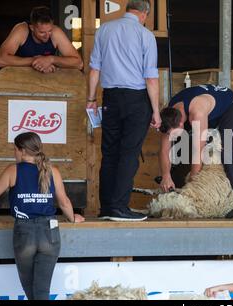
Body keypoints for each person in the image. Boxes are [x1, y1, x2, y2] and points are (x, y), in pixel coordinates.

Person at [87, 0, 161, 222]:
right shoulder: (145, 35)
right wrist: (156, 111)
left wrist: (91, 99)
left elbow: (94, 69)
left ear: (128, 10)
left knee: (109, 152)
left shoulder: (104, 30)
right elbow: (150, 78)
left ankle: (107, 207)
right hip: (136, 99)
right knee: (129, 154)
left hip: (110, 98)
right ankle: (120, 207)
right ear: (144, 14)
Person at [0, 132, 85, 300]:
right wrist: (73, 218)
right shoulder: (53, 170)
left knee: (33, 291)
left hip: (24, 232)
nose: (14, 153)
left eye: (14, 150)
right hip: (49, 233)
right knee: (40, 292)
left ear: (22, 151)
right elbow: (64, 202)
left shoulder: (13, 170)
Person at [158, 84, 233, 218]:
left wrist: (192, 185)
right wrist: (165, 175)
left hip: (229, 107)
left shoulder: (197, 113)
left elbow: (198, 152)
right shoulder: (170, 115)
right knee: (179, 148)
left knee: (227, 152)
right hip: (205, 108)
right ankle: (172, 189)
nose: (171, 135)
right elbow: (164, 150)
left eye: (173, 132)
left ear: (181, 123)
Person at [0, 6, 83, 73]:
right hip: (16, 80)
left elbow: (78, 63)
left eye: (49, 31)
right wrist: (35, 61)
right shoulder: (22, 30)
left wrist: (51, 59)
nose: (47, 35)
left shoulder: (56, 32)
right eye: (42, 32)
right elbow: (0, 60)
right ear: (32, 28)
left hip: (45, 83)